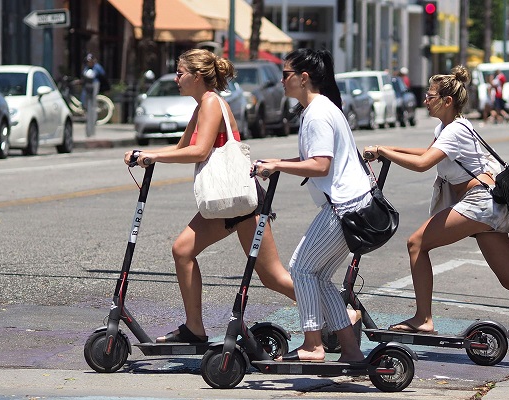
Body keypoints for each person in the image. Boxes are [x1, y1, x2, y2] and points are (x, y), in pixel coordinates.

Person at [362, 65, 509, 367]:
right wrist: (385, 149)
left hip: (479, 202)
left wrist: (383, 149)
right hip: (487, 204)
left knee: (416, 244)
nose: (425, 100)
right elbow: (426, 151)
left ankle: (424, 318)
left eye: (430, 96)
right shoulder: (449, 128)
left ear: (447, 101)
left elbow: (424, 163)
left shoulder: (455, 131)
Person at [123, 49, 296, 343]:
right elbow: (180, 149)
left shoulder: (212, 103)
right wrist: (143, 154)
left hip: (241, 200)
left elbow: (200, 151)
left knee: (273, 277)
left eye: (180, 73)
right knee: (182, 250)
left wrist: (153, 157)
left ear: (198, 76)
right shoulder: (202, 105)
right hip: (224, 202)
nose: (176, 78)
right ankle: (194, 328)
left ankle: (340, 313)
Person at [252, 48, 366, 363]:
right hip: (350, 206)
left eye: (286, 74)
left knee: (300, 269)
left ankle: (313, 344)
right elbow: (310, 161)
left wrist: (278, 165)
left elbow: (320, 165)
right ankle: (351, 351)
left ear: (303, 78)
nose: (281, 80)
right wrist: (275, 163)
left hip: (344, 207)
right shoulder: (317, 109)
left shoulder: (317, 113)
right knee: (318, 276)